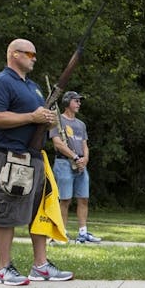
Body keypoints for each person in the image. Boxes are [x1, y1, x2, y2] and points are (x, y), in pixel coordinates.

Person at [0, 41, 75, 285]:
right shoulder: (1, 82)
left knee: (38, 212)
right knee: (6, 210)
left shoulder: (33, 87)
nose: (35, 58)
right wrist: (32, 116)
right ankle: (3, 269)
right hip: (10, 156)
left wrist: (46, 121)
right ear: (14, 55)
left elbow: (37, 120)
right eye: (30, 53)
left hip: (34, 157)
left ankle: (40, 266)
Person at [51, 91, 100, 243]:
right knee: (65, 200)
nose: (79, 103)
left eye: (79, 101)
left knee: (83, 199)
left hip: (80, 165)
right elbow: (57, 143)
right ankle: (61, 234)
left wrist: (85, 159)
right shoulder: (57, 121)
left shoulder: (81, 124)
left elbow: (85, 145)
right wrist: (75, 157)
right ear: (67, 102)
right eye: (76, 101)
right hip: (64, 163)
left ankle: (83, 233)